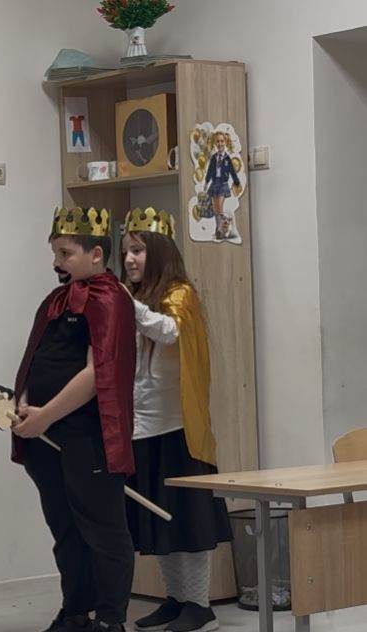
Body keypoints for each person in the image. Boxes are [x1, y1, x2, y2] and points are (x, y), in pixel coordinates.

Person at [11, 207, 137, 632]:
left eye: (65, 254)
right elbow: (36, 357)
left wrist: (46, 416)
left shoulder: (111, 299)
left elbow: (97, 373)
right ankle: (76, 610)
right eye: (55, 253)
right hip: (45, 438)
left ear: (96, 253)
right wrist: (24, 403)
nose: (56, 263)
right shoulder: (56, 301)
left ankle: (110, 618)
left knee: (103, 531)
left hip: (87, 436)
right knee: (65, 529)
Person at [120, 208, 232, 632]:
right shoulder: (138, 301)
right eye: (125, 251)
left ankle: (200, 606)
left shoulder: (181, 295)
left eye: (137, 250)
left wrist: (126, 304)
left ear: (160, 252)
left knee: (189, 521)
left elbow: (168, 332)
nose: (129, 259)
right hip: (142, 429)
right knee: (160, 520)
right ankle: (177, 599)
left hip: (179, 430)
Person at [203, 131, 241, 240]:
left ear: (225, 142)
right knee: (215, 208)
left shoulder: (227, 158)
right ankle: (218, 228)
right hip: (215, 184)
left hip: (223, 184)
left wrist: (236, 181)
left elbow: (232, 171)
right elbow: (210, 171)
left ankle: (221, 229)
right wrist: (206, 182)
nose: (220, 144)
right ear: (215, 143)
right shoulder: (214, 158)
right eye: (218, 142)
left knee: (220, 206)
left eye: (222, 141)